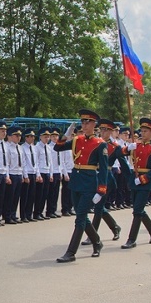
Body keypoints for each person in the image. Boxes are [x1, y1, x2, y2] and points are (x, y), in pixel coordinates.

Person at [53, 109, 106, 262]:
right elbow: (58, 147)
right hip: (76, 181)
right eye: (83, 122)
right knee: (80, 214)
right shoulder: (77, 140)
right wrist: (65, 135)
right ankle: (97, 242)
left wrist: (101, 190)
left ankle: (70, 253)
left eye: (87, 122)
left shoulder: (100, 144)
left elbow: (103, 169)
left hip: (89, 183)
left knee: (80, 218)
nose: (84, 125)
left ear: (94, 124)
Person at [120, 118, 151, 249]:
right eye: (142, 131)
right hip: (134, 180)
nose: (143, 133)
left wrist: (143, 179)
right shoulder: (135, 145)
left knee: (137, 211)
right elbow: (121, 154)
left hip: (145, 183)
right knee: (138, 209)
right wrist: (127, 148)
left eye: (146, 131)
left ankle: (131, 239)